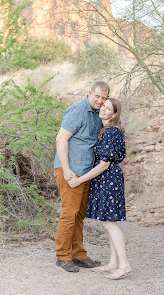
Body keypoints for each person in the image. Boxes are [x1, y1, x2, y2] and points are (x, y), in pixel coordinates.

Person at [69, 98, 132, 280]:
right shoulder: (109, 131)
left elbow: (104, 164)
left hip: (108, 179)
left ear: (114, 114)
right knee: (109, 221)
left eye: (108, 109)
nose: (103, 110)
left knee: (109, 223)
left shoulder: (111, 132)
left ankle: (124, 265)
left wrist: (80, 179)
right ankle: (113, 263)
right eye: (103, 106)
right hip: (110, 179)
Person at [54, 81, 110, 272]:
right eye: (97, 96)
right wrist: (67, 169)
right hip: (71, 170)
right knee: (69, 213)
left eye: (104, 98)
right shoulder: (77, 110)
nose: (100, 101)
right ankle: (62, 256)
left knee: (79, 215)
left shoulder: (98, 114)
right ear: (89, 93)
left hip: (85, 173)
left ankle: (78, 255)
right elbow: (61, 139)